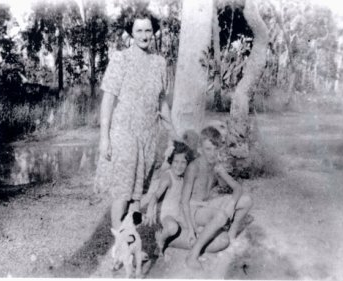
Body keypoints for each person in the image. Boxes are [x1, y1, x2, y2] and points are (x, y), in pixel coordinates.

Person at [93, 8, 172, 231]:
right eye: (139, 30)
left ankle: (132, 241)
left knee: (139, 192)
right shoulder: (120, 59)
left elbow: (162, 103)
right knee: (123, 189)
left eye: (148, 30)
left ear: (154, 32)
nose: (144, 35)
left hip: (149, 134)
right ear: (131, 33)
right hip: (124, 132)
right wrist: (104, 139)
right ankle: (120, 243)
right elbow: (108, 101)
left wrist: (173, 133)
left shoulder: (159, 63)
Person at [181, 126, 253, 269]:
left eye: (215, 149)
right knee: (221, 216)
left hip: (207, 205)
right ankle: (192, 255)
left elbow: (237, 188)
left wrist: (232, 204)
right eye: (208, 149)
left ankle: (231, 235)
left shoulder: (215, 166)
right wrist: (190, 228)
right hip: (194, 209)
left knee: (246, 200)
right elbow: (183, 202)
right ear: (200, 149)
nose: (212, 154)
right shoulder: (193, 167)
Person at [144, 141, 230, 256]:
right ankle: (160, 240)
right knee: (173, 228)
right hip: (166, 216)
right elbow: (156, 194)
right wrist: (150, 209)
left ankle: (191, 235)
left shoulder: (184, 177)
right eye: (176, 162)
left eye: (183, 163)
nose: (179, 166)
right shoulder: (168, 176)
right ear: (171, 161)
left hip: (179, 215)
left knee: (199, 230)